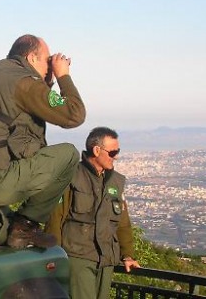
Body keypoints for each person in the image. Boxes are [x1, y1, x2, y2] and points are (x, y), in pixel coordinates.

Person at [0, 34, 86, 249]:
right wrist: (63, 76)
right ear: (31, 57)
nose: (50, 66)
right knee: (69, 155)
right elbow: (74, 114)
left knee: (0, 234)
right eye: (47, 60)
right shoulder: (23, 82)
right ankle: (26, 227)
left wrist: (46, 81)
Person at [46, 126, 140, 298]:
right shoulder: (71, 176)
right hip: (77, 256)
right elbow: (55, 217)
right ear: (97, 150)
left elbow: (122, 221)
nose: (116, 157)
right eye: (112, 153)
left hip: (106, 260)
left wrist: (127, 255)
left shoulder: (116, 182)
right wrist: (54, 256)